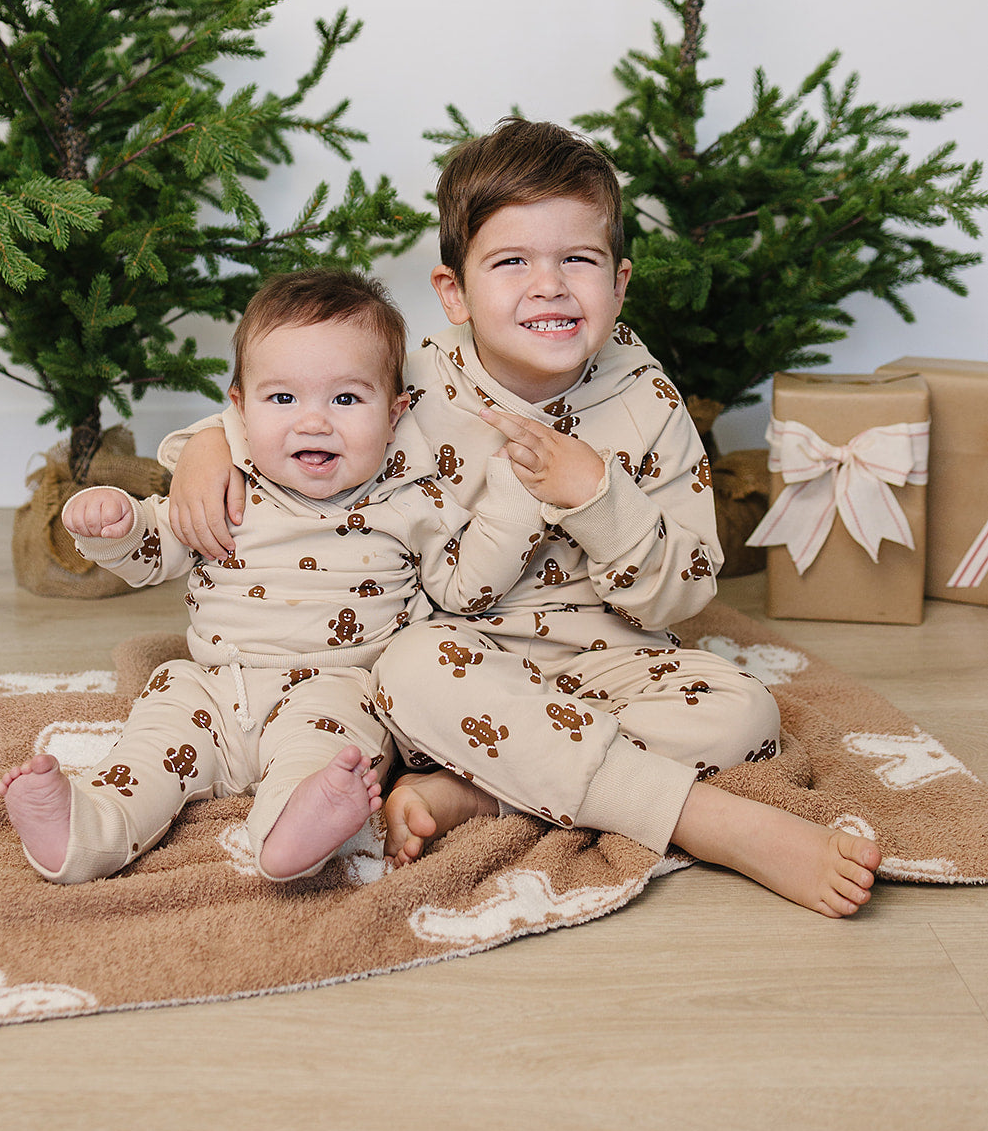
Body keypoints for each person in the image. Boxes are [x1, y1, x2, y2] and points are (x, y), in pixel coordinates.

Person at [164, 120, 882, 918]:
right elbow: (298, 404)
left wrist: (598, 499)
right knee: (405, 667)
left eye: (577, 259)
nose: (547, 286)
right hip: (455, 660)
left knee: (744, 715)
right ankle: (711, 824)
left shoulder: (646, 403)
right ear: (455, 292)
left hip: (610, 658)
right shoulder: (419, 380)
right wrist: (202, 443)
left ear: (618, 283)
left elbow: (682, 593)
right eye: (511, 263)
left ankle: (483, 795)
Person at [0, 267, 543, 885]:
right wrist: (115, 525)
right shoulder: (229, 486)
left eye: (346, 399)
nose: (313, 422)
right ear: (239, 409)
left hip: (333, 688)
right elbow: (156, 550)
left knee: (330, 760)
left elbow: (466, 586)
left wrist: (514, 502)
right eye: (282, 399)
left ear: (395, 412)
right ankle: (85, 826)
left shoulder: (409, 500)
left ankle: (298, 826)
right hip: (210, 687)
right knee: (148, 750)